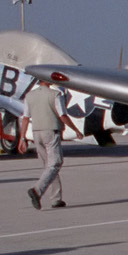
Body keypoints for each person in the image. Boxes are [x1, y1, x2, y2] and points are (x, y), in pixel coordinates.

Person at [18, 78, 82, 209]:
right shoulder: (55, 95)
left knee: (49, 166)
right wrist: (76, 130)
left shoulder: (29, 96)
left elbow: (25, 118)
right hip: (51, 132)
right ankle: (37, 190)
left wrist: (22, 138)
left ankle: (56, 198)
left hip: (36, 133)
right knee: (55, 163)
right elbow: (62, 115)